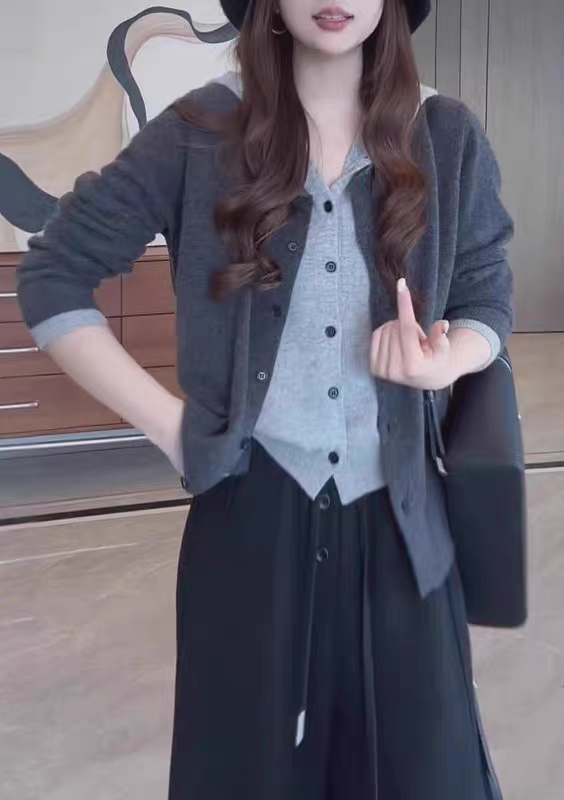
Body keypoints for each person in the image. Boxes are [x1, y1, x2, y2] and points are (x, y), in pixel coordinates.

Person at [17, 0, 514, 797]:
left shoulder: (447, 134)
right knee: (243, 768)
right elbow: (53, 274)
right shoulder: (198, 132)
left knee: (425, 767)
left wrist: (445, 361)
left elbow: (489, 294)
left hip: (404, 521)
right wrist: (172, 426)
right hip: (249, 515)